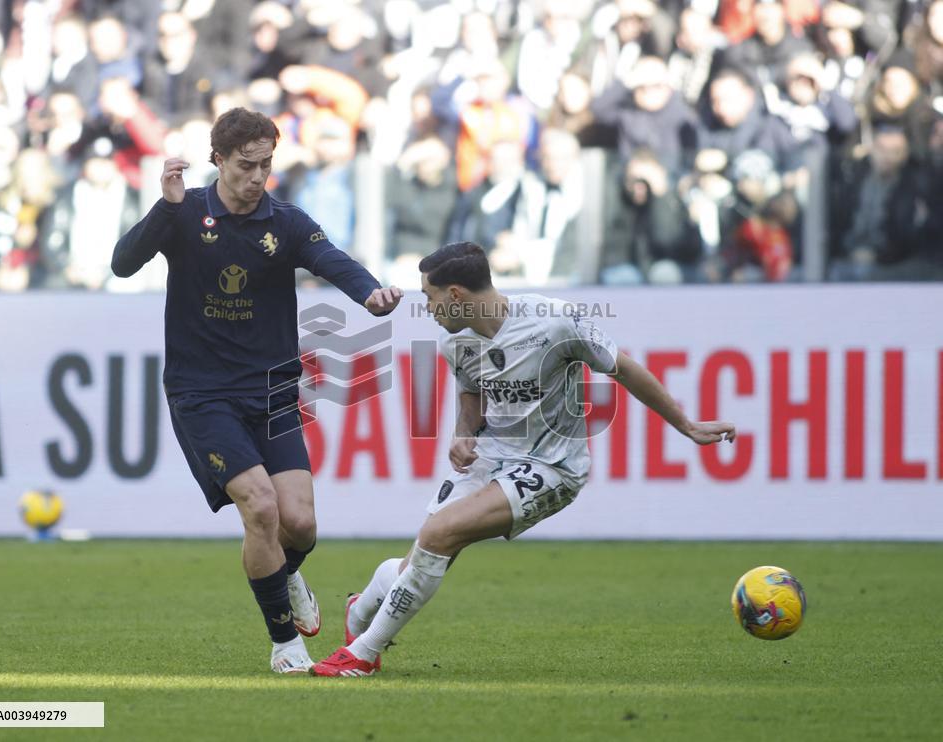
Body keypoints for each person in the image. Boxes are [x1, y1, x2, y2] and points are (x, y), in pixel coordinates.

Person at [311, 242, 736, 676]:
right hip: (492, 455)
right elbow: (473, 394)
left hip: (553, 468)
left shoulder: (554, 321)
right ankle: (359, 612)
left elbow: (623, 369)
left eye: (430, 296)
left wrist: (686, 425)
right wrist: (463, 435)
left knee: (438, 533)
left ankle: (361, 655)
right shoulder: (453, 340)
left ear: (455, 295)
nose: (427, 307)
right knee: (419, 559)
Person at [111, 108, 403, 673]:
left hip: (271, 390)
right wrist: (164, 207)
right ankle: (284, 644)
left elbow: (330, 259)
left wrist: (369, 294)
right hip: (202, 393)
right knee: (260, 507)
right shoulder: (185, 212)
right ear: (217, 159)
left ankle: (286, 574)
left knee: (301, 525)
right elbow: (123, 265)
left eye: (267, 164)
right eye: (247, 165)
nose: (258, 176)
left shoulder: (286, 221)